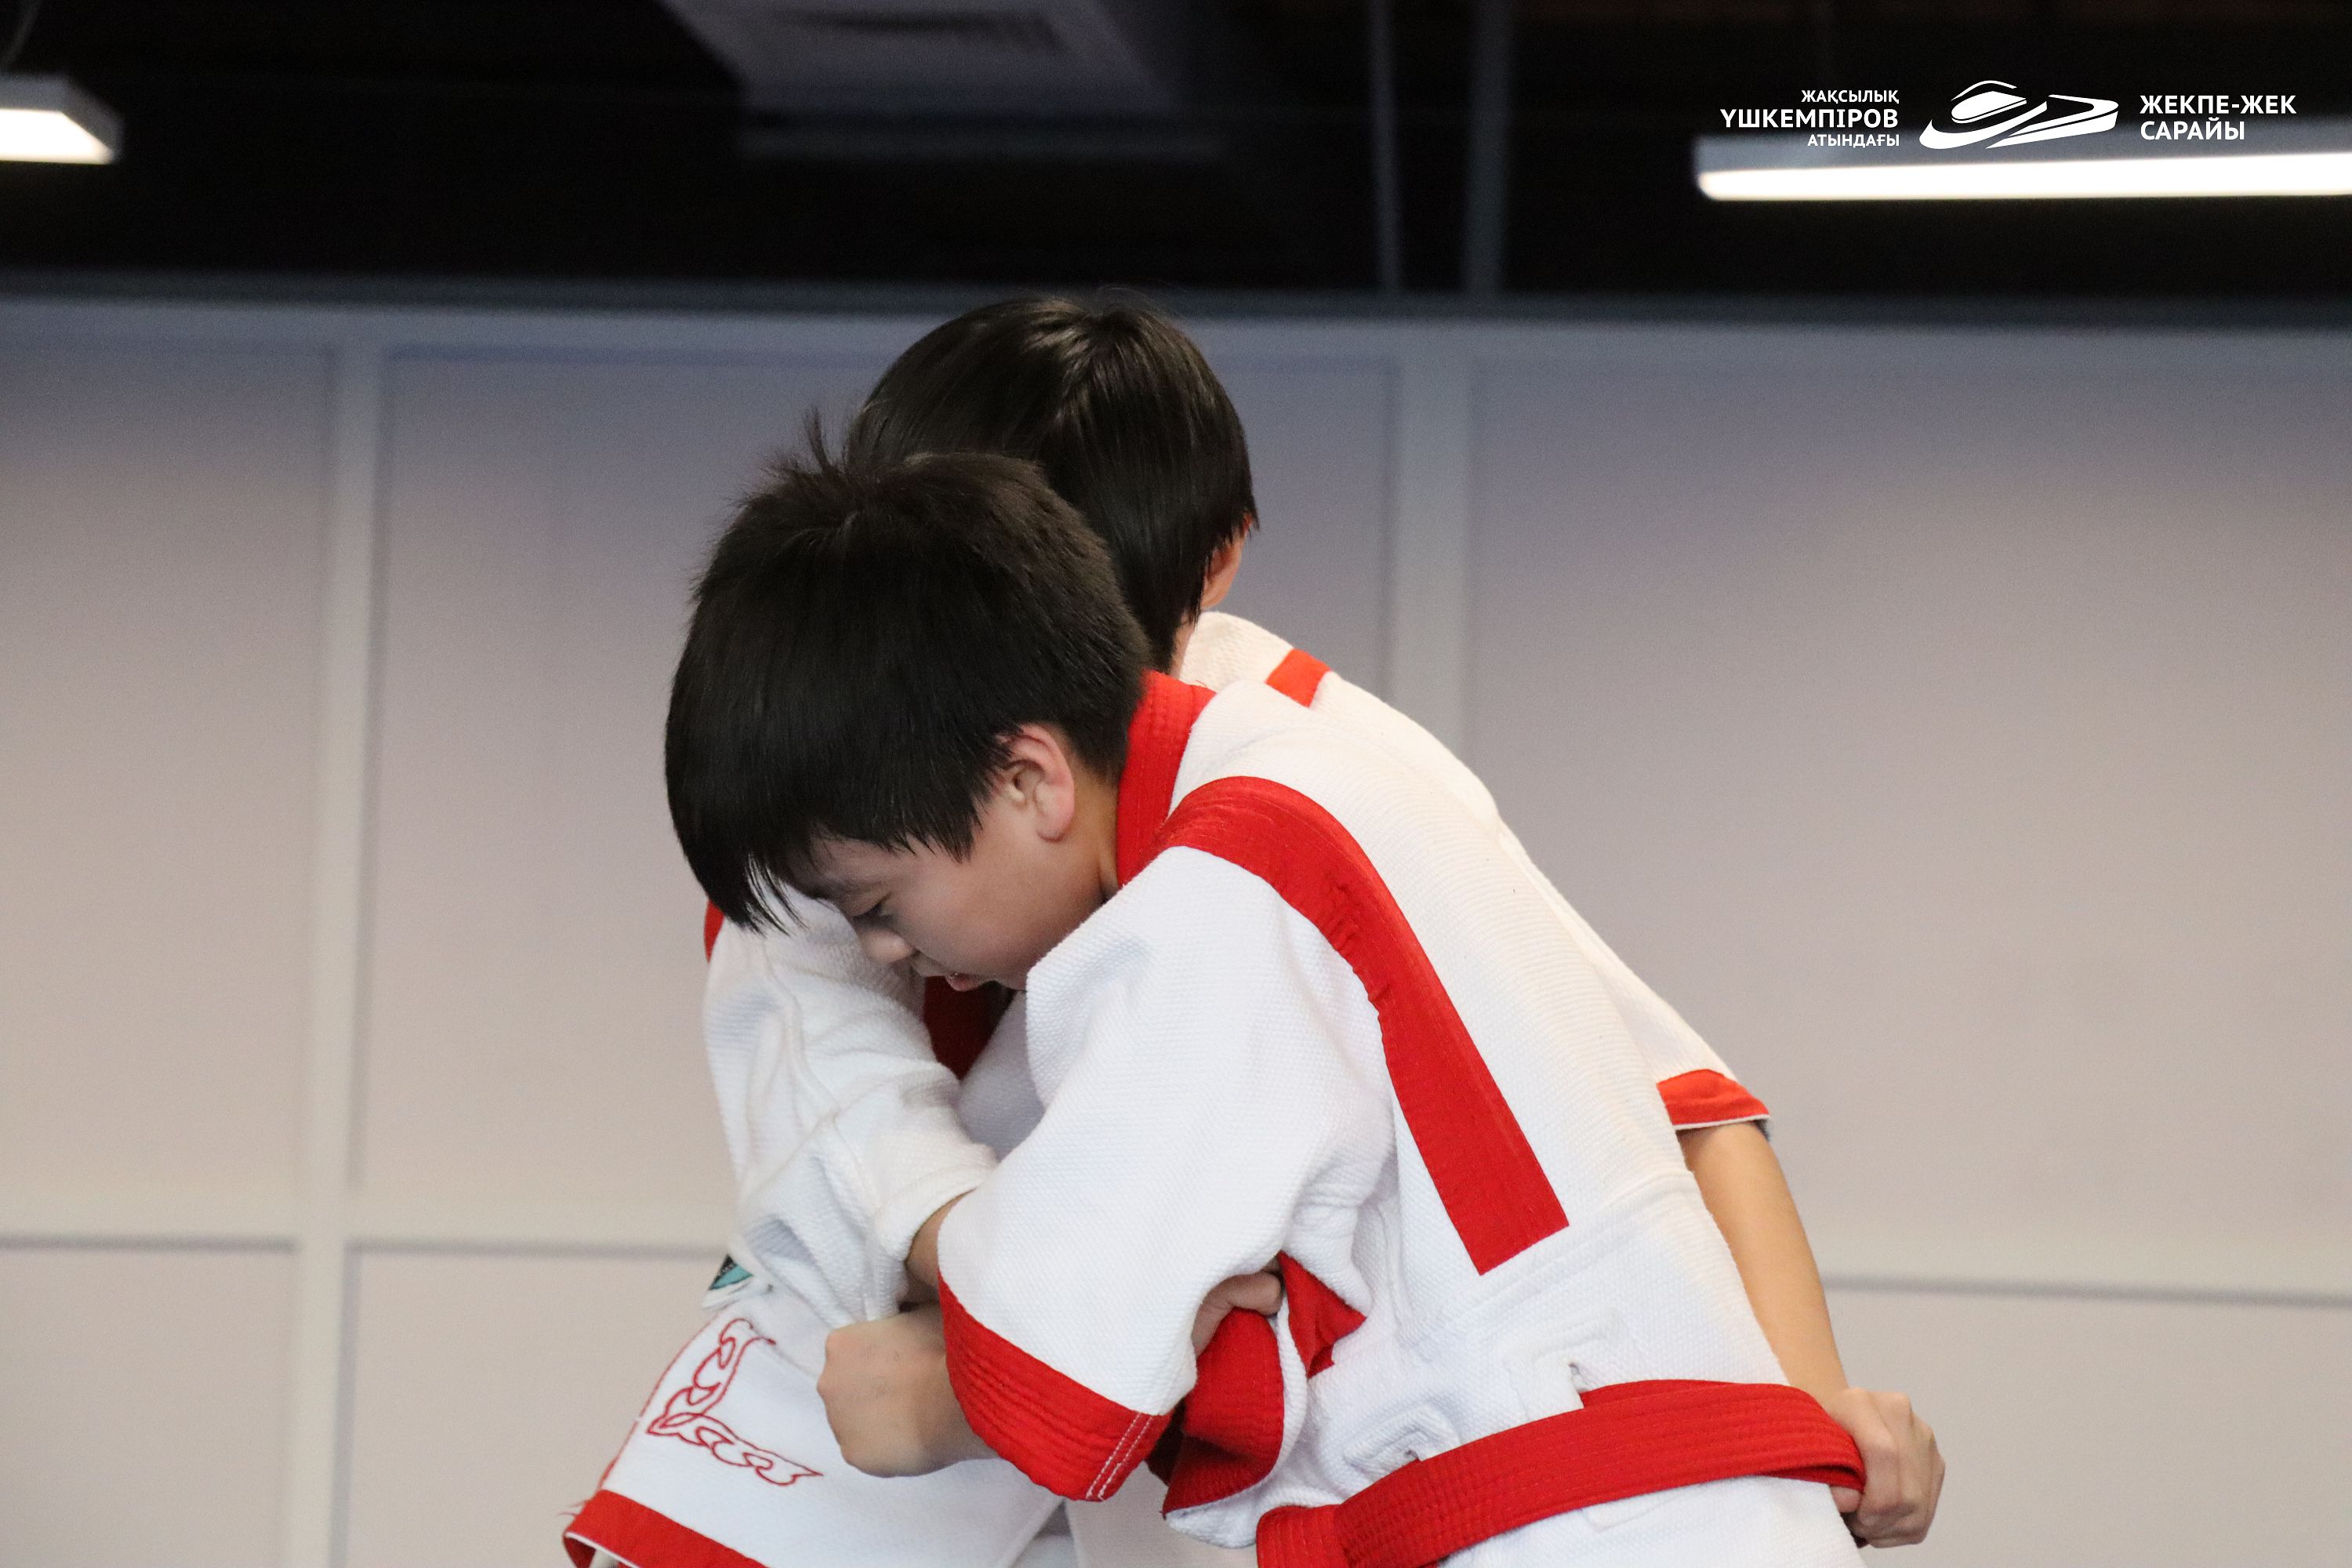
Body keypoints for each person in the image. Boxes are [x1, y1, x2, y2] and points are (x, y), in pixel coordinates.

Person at [564, 299, 1939, 1568]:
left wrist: (1803, 1411)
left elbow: (1670, 1104)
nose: (888, 945)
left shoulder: (1249, 838)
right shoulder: (858, 776)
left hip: (1452, 1455)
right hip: (1017, 1340)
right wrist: (1019, 1310)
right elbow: (897, 1177)